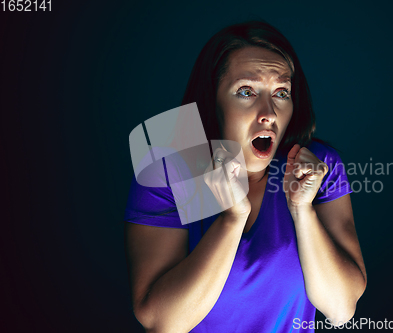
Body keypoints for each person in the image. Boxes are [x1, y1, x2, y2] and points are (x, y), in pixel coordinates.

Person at [124, 20, 366, 332]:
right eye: (246, 91)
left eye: (281, 92)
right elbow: (164, 323)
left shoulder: (318, 165)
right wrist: (232, 219)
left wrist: (303, 212)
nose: (269, 112)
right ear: (213, 101)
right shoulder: (165, 169)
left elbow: (341, 309)